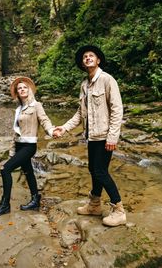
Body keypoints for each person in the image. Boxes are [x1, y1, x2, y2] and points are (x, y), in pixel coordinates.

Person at [53, 45, 126, 227]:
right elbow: (80, 113)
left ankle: (119, 210)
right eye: (85, 56)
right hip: (91, 136)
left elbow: (117, 110)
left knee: (101, 171)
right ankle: (94, 205)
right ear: (83, 63)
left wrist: (112, 137)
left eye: (91, 55)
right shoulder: (84, 85)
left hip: (104, 136)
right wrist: (64, 128)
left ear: (98, 60)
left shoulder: (108, 80)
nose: (87, 58)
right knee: (94, 170)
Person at [0, 77, 54, 217]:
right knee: (28, 171)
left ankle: (5, 205)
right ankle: (35, 199)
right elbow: (15, 132)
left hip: (29, 146)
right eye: (19, 88)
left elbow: (44, 120)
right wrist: (12, 151)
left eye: (25, 87)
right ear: (17, 93)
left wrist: (51, 131)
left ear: (29, 90)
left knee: (5, 170)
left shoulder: (36, 105)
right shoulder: (18, 109)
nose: (22, 89)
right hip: (19, 145)